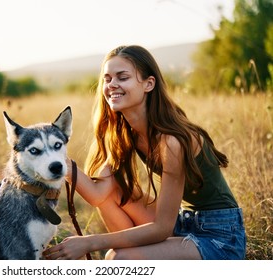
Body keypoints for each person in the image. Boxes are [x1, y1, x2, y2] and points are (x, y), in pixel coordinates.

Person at [43, 45, 246, 260]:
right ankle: (132, 255)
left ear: (149, 84)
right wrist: (56, 160)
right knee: (114, 198)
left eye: (122, 77)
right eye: (108, 78)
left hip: (220, 237)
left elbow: (162, 228)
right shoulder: (127, 134)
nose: (112, 85)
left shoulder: (171, 142)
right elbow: (98, 195)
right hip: (185, 221)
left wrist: (90, 242)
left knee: (117, 258)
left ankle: (129, 257)